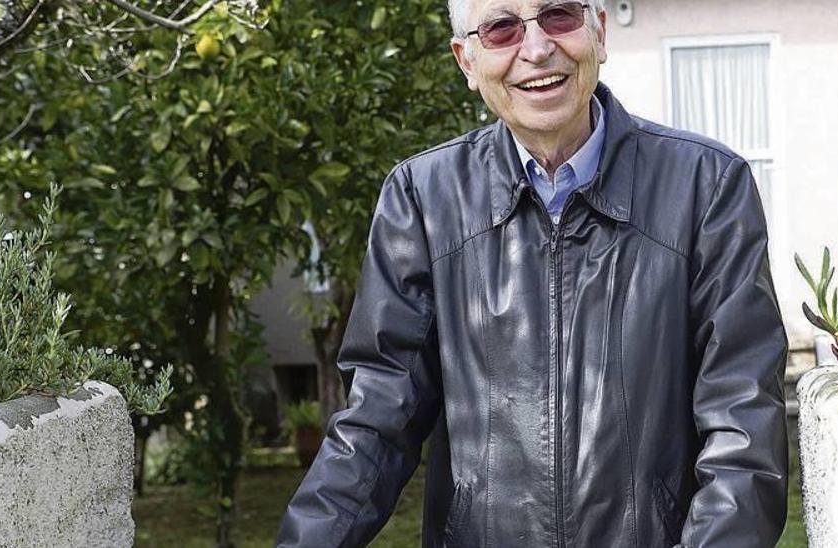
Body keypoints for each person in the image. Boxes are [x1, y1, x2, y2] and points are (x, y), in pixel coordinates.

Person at [276, 1, 789, 546]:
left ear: (599, 32)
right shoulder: (422, 199)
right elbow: (376, 420)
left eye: (559, 15)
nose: (538, 48)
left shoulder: (707, 186)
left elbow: (743, 424)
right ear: (467, 62)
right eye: (501, 29)